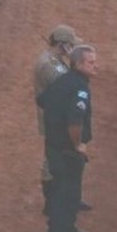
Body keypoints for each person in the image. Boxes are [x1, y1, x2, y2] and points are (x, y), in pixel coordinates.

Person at [36, 45, 98, 232]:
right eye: (90, 62)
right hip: (66, 151)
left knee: (69, 194)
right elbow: (75, 123)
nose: (94, 66)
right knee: (65, 196)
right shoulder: (80, 88)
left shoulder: (62, 81)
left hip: (54, 146)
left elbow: (42, 100)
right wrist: (77, 144)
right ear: (78, 64)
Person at [34, 24, 81, 216]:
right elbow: (66, 88)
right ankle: (51, 202)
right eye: (70, 45)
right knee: (53, 160)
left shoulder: (54, 60)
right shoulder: (49, 65)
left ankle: (64, 198)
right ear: (62, 45)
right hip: (54, 119)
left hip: (57, 116)